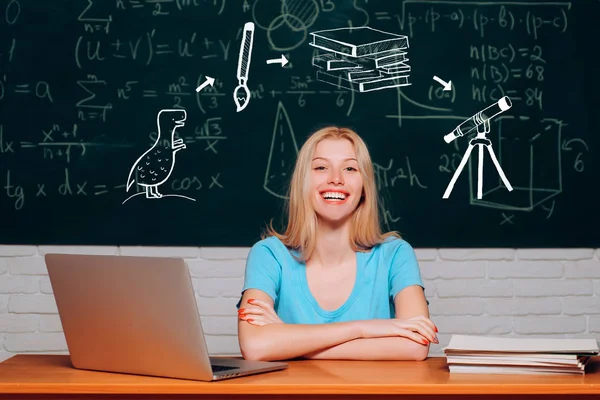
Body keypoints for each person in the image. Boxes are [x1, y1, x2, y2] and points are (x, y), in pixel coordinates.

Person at [236, 126, 437, 362]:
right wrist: (362, 329)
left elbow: (415, 346)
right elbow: (255, 347)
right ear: (304, 182)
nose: (336, 179)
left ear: (364, 186)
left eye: (350, 168)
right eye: (321, 167)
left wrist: (289, 343)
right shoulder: (269, 254)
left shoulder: (395, 254)